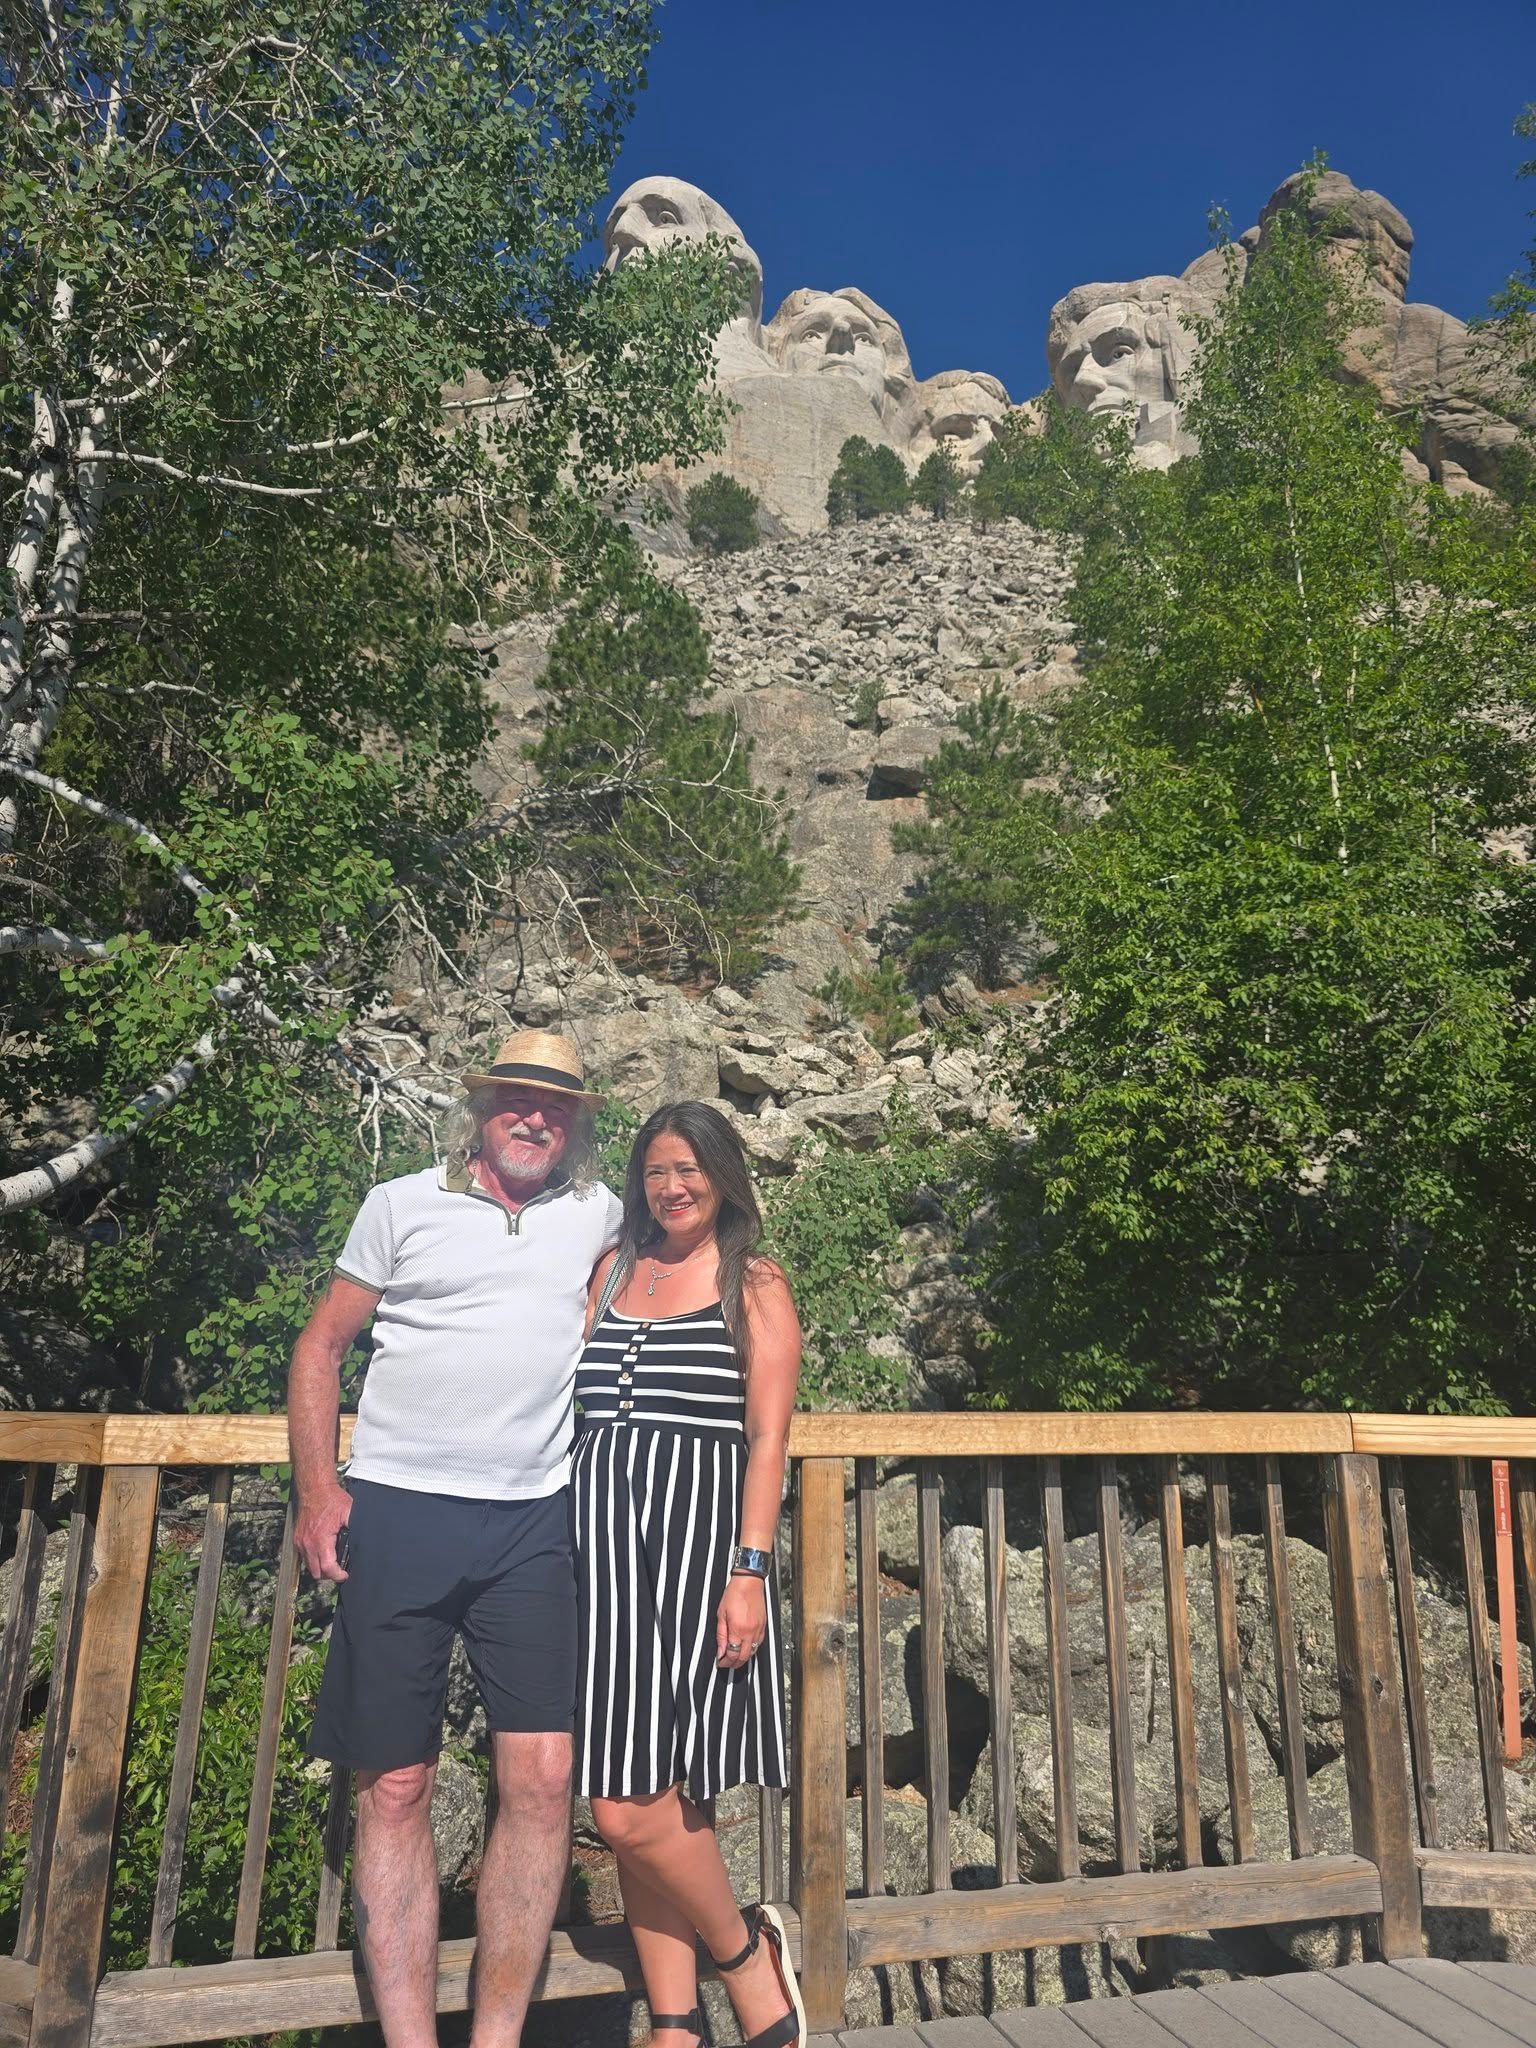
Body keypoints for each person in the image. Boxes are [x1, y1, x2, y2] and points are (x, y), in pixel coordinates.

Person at [289, 1030, 622, 2048]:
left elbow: (690, 1255)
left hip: (535, 1520)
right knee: (396, 1783)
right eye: (517, 1097)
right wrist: (318, 1489)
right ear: (480, 1108)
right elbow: (321, 1347)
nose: (534, 1116)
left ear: (577, 1124)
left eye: (555, 1105)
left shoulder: (599, 1214)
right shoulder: (400, 1204)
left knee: (544, 1780)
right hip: (399, 1509)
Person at [572, 1101, 804, 2048]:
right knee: (640, 1788)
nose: (672, 1187)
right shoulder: (611, 1271)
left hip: (699, 1556)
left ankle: (745, 1957)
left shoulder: (754, 1283)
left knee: (631, 1807)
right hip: (599, 1561)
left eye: (689, 1170)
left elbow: (767, 1441)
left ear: (723, 1177)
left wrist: (749, 1571)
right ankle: (675, 2023)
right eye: (657, 1171)